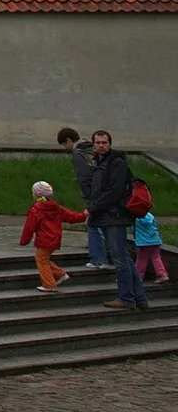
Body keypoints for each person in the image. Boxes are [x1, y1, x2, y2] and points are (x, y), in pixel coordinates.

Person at [86, 130, 149, 311]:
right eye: (97, 142)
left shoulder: (116, 162)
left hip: (115, 216)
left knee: (119, 258)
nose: (101, 145)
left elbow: (114, 190)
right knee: (124, 257)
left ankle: (126, 298)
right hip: (107, 215)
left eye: (104, 142)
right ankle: (139, 298)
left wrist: (93, 207)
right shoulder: (101, 162)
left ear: (110, 143)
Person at [19, 179, 85, 292]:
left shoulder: (36, 209)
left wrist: (24, 241)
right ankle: (59, 274)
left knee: (41, 260)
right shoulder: (56, 207)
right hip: (55, 239)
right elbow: (71, 217)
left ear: (37, 194)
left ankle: (49, 284)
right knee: (43, 258)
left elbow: (29, 227)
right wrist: (84, 215)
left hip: (44, 239)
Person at [60, 127, 110, 270]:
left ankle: (97, 259)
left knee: (93, 224)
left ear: (69, 140)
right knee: (106, 225)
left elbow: (84, 178)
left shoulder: (78, 153)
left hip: (95, 194)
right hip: (107, 191)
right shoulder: (93, 148)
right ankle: (108, 257)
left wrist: (89, 199)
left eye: (64, 145)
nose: (65, 148)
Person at [133, 182, 167, 287]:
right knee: (156, 258)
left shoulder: (137, 217)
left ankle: (138, 276)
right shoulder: (149, 215)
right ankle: (162, 274)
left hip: (143, 243)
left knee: (141, 260)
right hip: (155, 241)